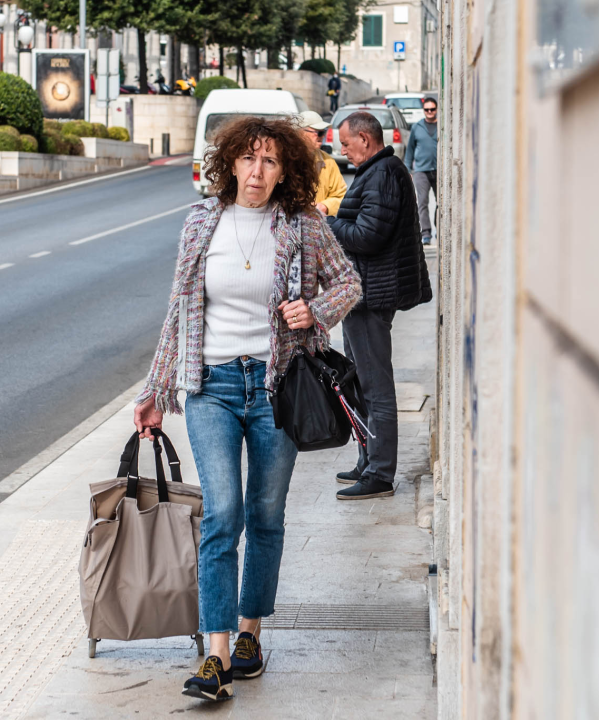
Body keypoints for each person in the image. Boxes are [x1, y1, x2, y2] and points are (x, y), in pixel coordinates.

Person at [134, 116, 362, 701]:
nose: (257, 172)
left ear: (284, 170)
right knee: (222, 513)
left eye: (270, 162)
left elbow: (349, 284)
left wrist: (314, 312)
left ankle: (249, 635)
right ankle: (214, 654)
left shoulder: (304, 225)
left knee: (264, 514)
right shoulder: (201, 223)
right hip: (211, 386)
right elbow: (178, 311)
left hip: (275, 387)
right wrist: (156, 391)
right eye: (248, 159)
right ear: (230, 163)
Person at [327, 111, 432, 501]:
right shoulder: (377, 170)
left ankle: (381, 474)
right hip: (361, 294)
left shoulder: (384, 173)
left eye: (346, 143)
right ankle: (367, 459)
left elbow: (367, 236)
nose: (343, 150)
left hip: (371, 296)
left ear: (365, 139)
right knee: (359, 382)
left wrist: (329, 221)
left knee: (375, 387)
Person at [297, 110, 347, 216]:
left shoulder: (328, 162)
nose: (322, 136)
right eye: (318, 132)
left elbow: (342, 196)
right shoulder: (283, 160)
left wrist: (325, 206)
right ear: (300, 133)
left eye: (323, 132)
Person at [405, 97, 439, 244]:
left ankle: (441, 229)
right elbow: (410, 150)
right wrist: (408, 170)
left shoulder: (443, 126)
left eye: (432, 109)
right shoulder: (417, 127)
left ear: (437, 110)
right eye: (427, 110)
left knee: (441, 202)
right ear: (423, 111)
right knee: (422, 202)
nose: (430, 112)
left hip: (439, 170)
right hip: (421, 170)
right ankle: (426, 233)